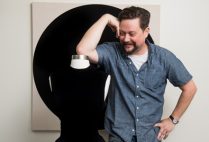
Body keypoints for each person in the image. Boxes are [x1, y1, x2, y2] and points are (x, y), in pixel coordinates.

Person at [76, 6, 197, 142]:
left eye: (132, 33)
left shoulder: (164, 58)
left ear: (146, 32)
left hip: (151, 136)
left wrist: (172, 120)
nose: (126, 39)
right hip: (118, 136)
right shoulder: (112, 52)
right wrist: (106, 18)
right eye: (122, 33)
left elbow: (190, 88)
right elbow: (82, 50)